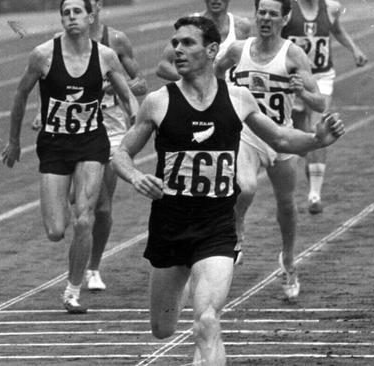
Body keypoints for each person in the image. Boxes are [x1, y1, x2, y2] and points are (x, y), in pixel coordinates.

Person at [113, 15, 343, 366]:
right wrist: (134, 177)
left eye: (187, 43)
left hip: (217, 227)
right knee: (162, 327)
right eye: (175, 43)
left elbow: (280, 137)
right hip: (169, 227)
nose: (177, 50)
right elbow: (121, 153)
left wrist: (315, 140)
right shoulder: (159, 102)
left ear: (211, 50)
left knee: (206, 321)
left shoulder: (238, 98)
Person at [1, 0, 138, 314]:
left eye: (77, 12)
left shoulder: (104, 56)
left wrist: (135, 117)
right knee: (55, 230)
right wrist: (13, 141)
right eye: (66, 12)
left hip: (92, 143)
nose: (72, 17)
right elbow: (21, 93)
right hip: (54, 145)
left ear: (90, 17)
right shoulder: (43, 55)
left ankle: (72, 291)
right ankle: (67, 191)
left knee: (84, 220)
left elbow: (127, 93)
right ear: (61, 19)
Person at [31, 0, 147, 291]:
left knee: (103, 209)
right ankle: (74, 199)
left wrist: (114, 87)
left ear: (95, 8)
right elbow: (53, 88)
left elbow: (140, 83)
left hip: (110, 128)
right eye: (67, 11)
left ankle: (93, 267)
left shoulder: (114, 41)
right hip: (70, 133)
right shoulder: (55, 48)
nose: (73, 16)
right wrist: (42, 113)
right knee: (83, 205)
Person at [215, 0, 325, 298]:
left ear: (285, 18)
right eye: (261, 12)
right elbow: (214, 72)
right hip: (246, 135)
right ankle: (237, 229)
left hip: (280, 137)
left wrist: (301, 90)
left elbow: (319, 103)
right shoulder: (239, 50)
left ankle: (288, 261)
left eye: (272, 14)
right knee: (245, 187)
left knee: (286, 205)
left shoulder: (293, 55)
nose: (265, 18)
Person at [281, 0, 367, 212]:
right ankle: (309, 182)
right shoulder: (288, 9)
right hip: (292, 79)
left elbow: (337, 29)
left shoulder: (331, 8)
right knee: (301, 136)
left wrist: (354, 49)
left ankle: (314, 194)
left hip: (321, 76)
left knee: (318, 126)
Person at [155, 0, 252, 81]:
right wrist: (194, 82)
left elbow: (249, 61)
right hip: (200, 98)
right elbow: (163, 66)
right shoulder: (190, 26)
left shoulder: (241, 26)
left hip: (231, 96)